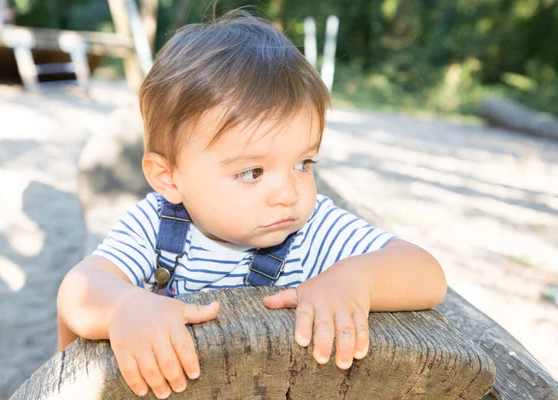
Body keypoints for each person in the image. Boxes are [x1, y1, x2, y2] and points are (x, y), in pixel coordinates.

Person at [56, 9, 447, 399]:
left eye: (303, 164)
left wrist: (356, 279)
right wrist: (123, 305)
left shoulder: (312, 230)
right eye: (252, 173)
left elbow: (426, 274)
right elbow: (78, 291)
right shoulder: (155, 227)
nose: (288, 193)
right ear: (169, 178)